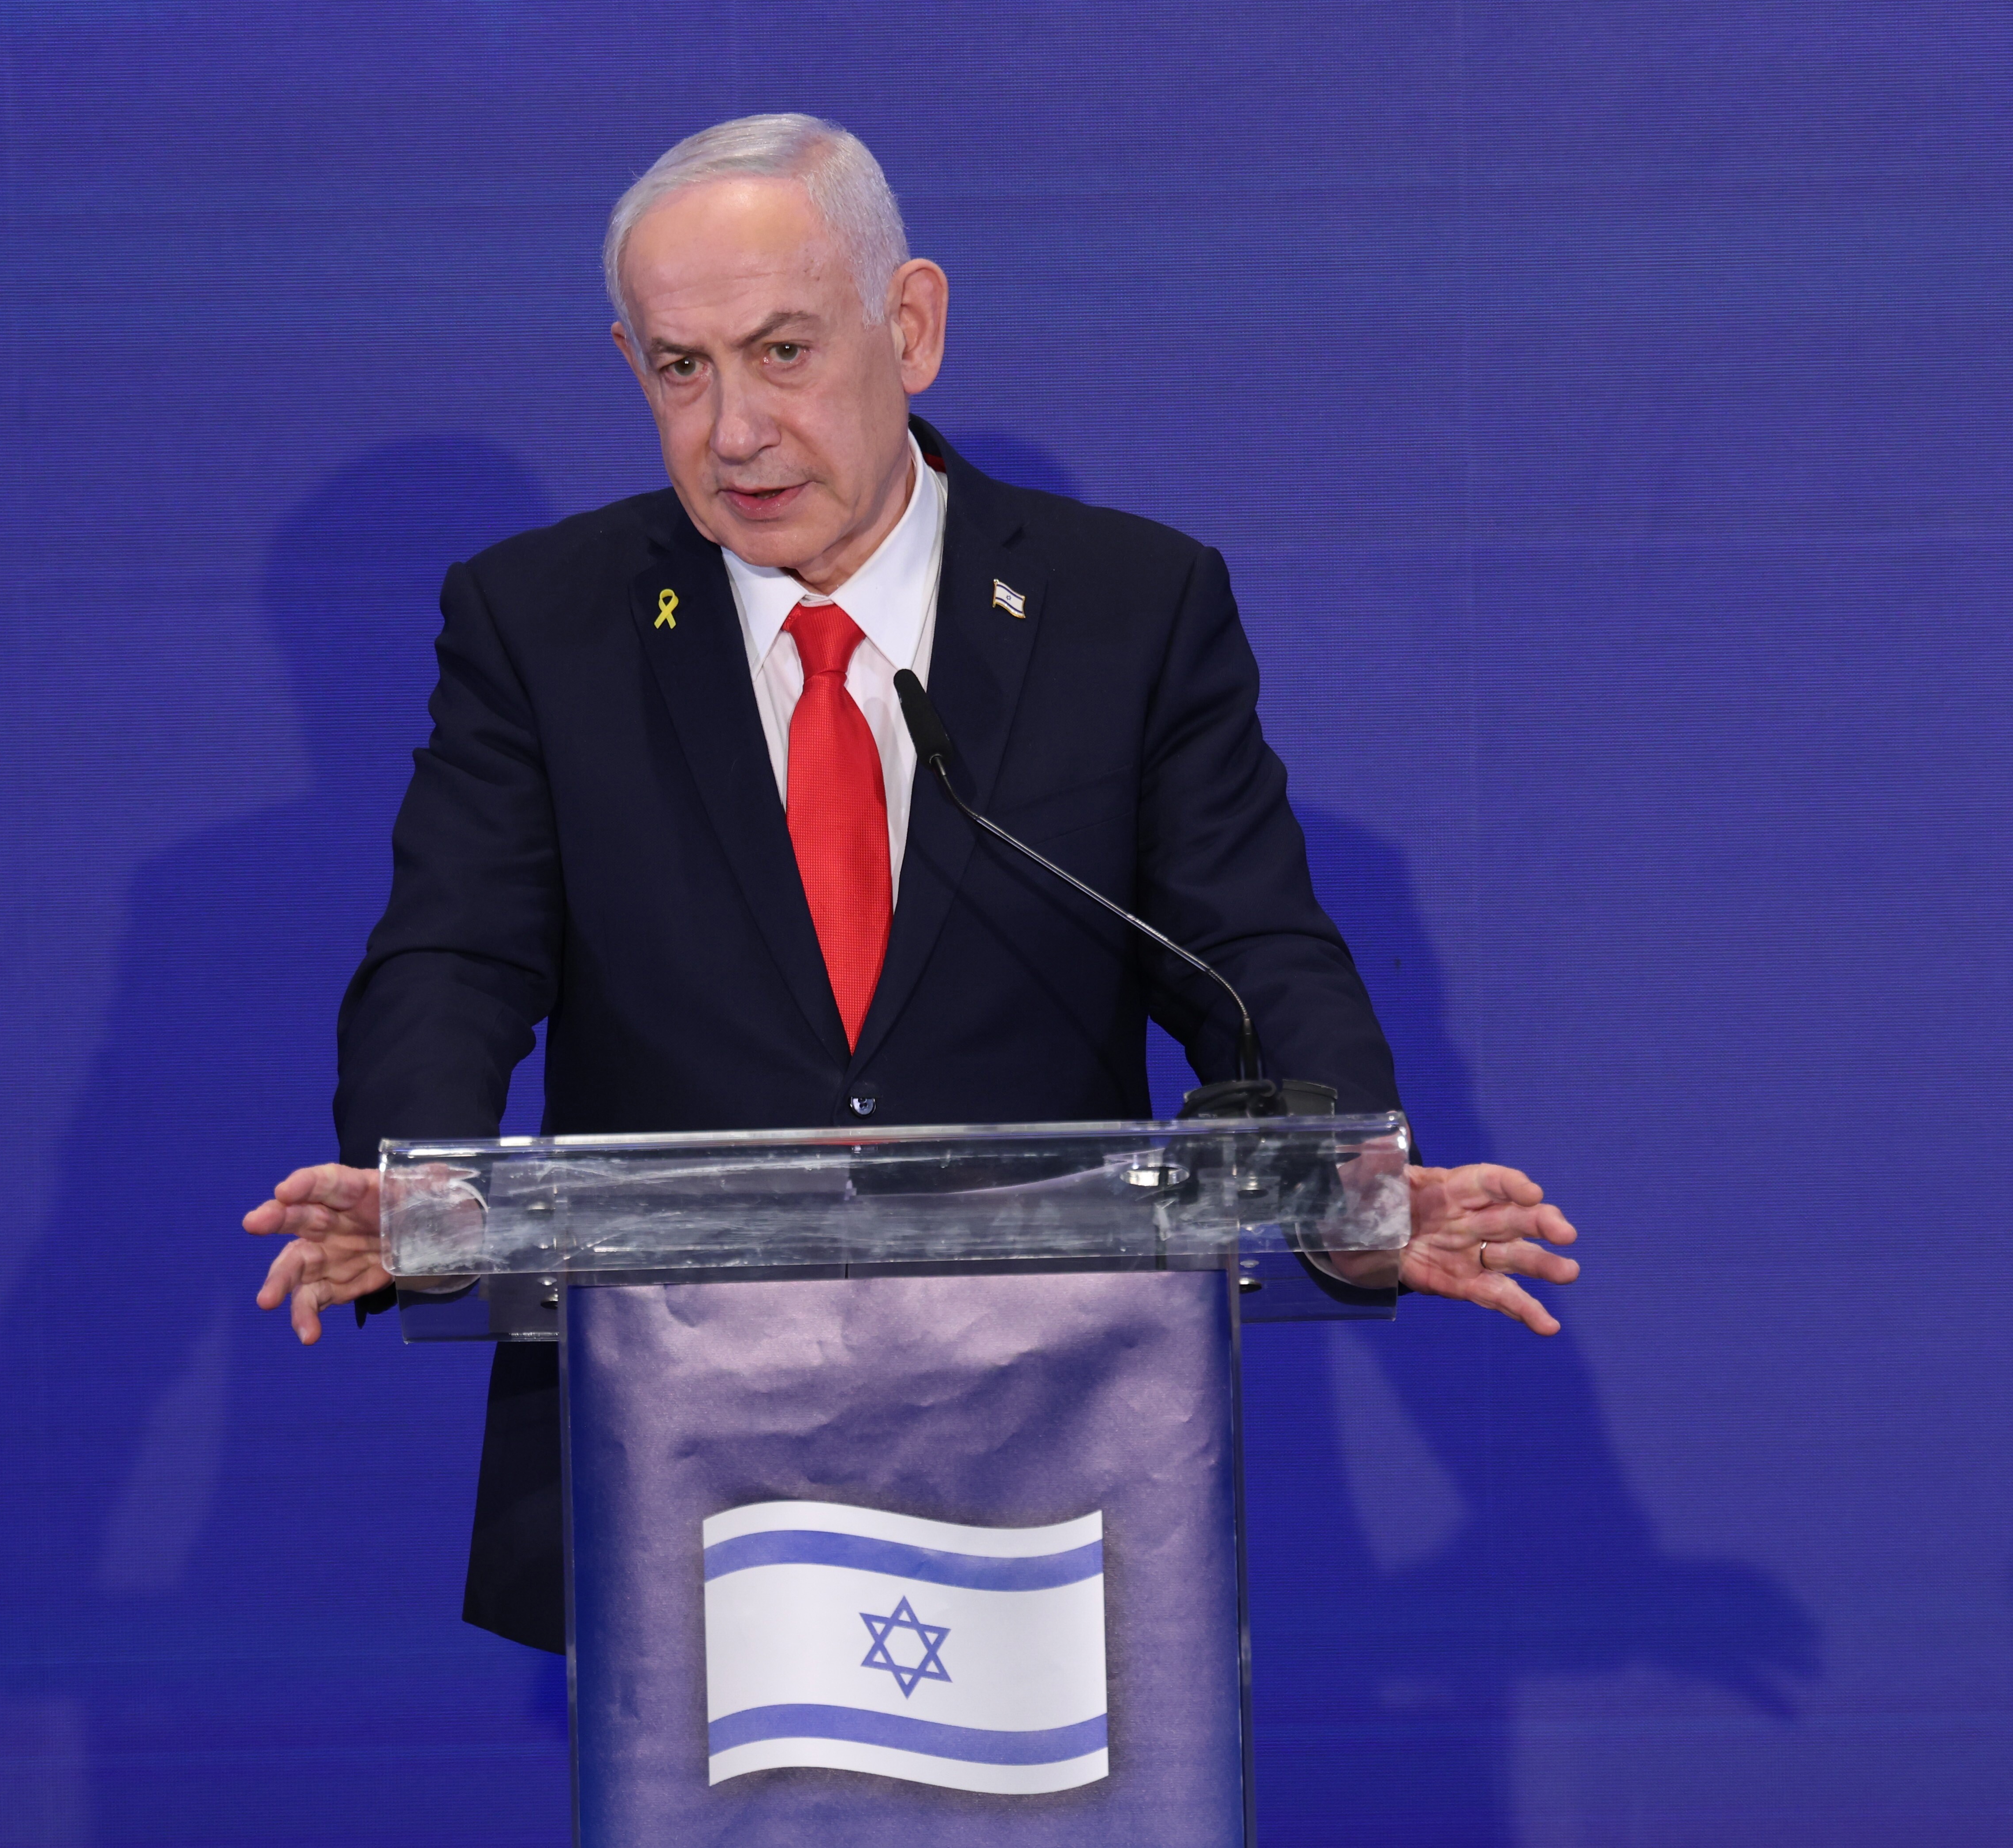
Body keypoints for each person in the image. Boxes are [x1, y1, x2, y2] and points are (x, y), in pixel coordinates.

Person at [242, 114, 1580, 1652]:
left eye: (782, 351)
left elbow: (1250, 950)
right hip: (675, 1445)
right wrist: (427, 1181)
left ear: (913, 324)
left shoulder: (1124, 608)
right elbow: (452, 957)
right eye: (681, 369)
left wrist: (1341, 1186)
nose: (732, 429)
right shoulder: (541, 625)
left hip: (1052, 1437)